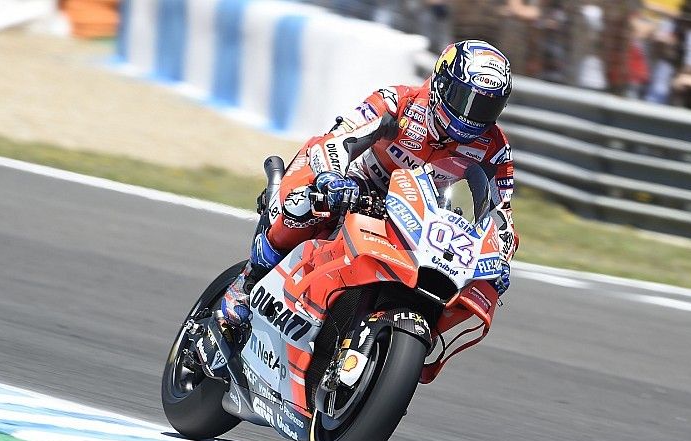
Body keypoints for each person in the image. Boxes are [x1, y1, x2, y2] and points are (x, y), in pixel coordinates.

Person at [220, 40, 520, 328]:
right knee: (303, 204)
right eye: (466, 100)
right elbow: (338, 139)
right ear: (442, 84)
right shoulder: (397, 103)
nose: (471, 116)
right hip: (355, 184)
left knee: (457, 277)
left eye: (484, 108)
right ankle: (247, 280)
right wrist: (330, 179)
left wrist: (500, 256)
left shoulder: (494, 148)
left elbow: (500, 213)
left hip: (420, 214)